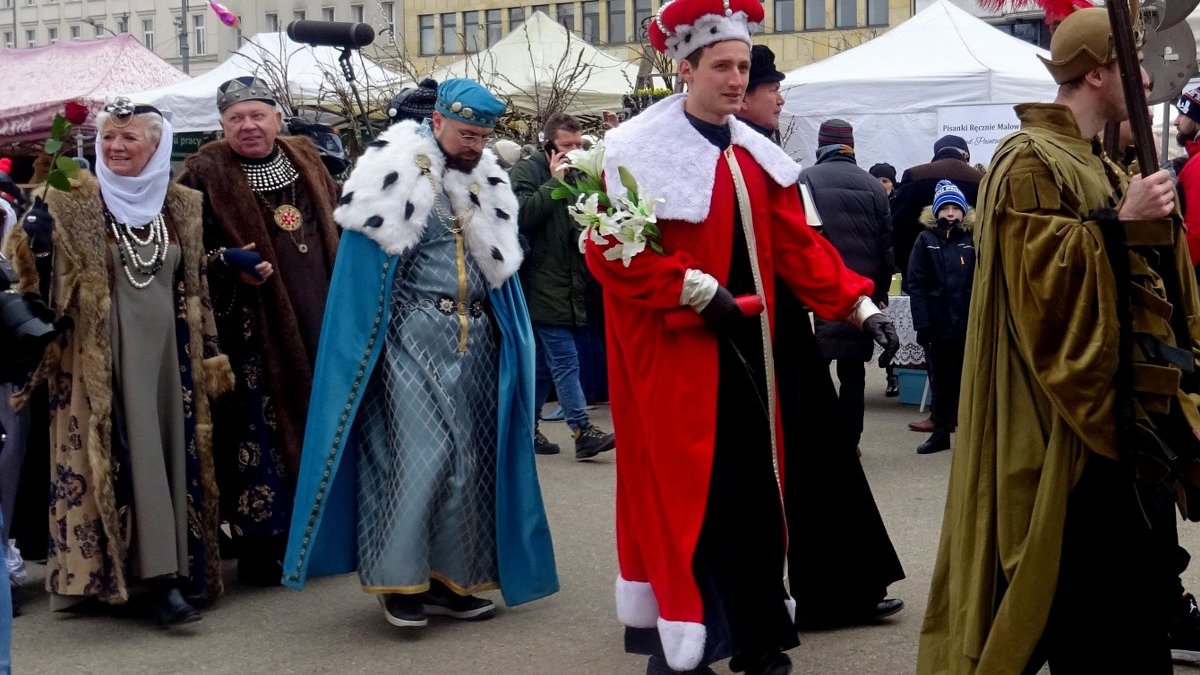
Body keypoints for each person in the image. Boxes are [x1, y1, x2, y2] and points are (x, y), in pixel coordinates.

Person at [586, 1, 899, 671]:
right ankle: (684, 643)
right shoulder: (634, 150)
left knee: (757, 497)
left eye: (742, 67)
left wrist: (861, 305)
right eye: (722, 66)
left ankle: (759, 640)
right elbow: (611, 251)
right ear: (685, 66)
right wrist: (696, 289)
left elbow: (799, 249)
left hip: (750, 359)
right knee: (692, 501)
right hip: (676, 361)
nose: (736, 79)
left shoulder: (757, 156)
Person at [917, 8, 1197, 672]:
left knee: (1136, 612)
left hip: (1128, 422)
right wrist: (1118, 225)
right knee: (1091, 615)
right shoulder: (1027, 156)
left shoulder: (1101, 159)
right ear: (1099, 73)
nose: (1149, 75)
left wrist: (1153, 224)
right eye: (1133, 61)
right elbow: (1036, 284)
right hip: (1066, 430)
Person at [281, 78, 558, 629]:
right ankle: (398, 580)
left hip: (478, 340)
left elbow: (500, 268)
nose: (474, 145)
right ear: (437, 123)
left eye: (482, 136)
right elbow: (363, 283)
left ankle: (452, 579)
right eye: (465, 133)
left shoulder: (488, 181)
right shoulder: (392, 173)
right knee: (418, 458)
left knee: (468, 462)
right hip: (412, 338)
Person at [3, 98, 234, 625]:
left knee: (168, 455)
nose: (117, 146)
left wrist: (209, 349)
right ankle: (152, 581)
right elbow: (32, 275)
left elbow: (193, 282)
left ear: (158, 146)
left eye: (130, 138)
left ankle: (173, 569)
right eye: (109, 137)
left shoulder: (182, 206)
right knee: (122, 459)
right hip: (95, 358)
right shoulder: (72, 199)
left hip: (169, 355)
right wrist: (31, 239)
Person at [737, 44, 906, 632]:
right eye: (770, 86)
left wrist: (860, 307)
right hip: (729, 334)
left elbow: (803, 252)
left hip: (781, 333)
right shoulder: (693, 154)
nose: (779, 97)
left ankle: (835, 591)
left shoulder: (772, 163)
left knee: (818, 458)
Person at [177, 77, 340, 586]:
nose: (248, 126)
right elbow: (189, 253)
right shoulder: (203, 173)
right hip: (251, 325)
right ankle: (263, 544)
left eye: (257, 116)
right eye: (235, 119)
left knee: (324, 416)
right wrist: (226, 263)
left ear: (276, 117)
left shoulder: (307, 157)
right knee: (260, 431)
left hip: (320, 308)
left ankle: (328, 532)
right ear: (221, 125)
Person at [511, 112, 617, 459]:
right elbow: (521, 216)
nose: (574, 152)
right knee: (565, 360)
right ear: (548, 145)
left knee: (543, 365)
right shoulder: (527, 172)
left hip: (571, 282)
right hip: (539, 281)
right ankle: (581, 430)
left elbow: (580, 223)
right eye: (566, 146)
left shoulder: (578, 175)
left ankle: (525, 431)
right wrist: (554, 183)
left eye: (578, 145)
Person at [799, 119, 894, 451]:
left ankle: (817, 440)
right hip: (860, 297)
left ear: (822, 144)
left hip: (817, 296)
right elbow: (886, 251)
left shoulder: (805, 179)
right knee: (853, 372)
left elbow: (799, 240)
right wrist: (878, 295)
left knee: (814, 372)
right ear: (851, 146)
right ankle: (849, 441)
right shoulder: (872, 186)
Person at [905, 180, 974, 455]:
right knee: (940, 381)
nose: (949, 214)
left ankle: (970, 438)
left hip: (967, 322)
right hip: (936, 323)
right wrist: (922, 323)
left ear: (963, 212)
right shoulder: (925, 240)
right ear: (935, 212)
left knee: (966, 380)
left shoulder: (972, 240)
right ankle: (940, 432)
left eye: (954, 208)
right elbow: (916, 283)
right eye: (944, 208)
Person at [891, 134, 984, 287]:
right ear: (965, 155)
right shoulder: (981, 180)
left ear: (937, 153)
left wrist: (906, 266)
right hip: (969, 273)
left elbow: (897, 225)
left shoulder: (915, 175)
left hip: (922, 269)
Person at [1174, 84, 1200, 281]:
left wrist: (1178, 280)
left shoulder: (1197, 165)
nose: (1176, 121)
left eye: (1182, 113)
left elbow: (1196, 232)